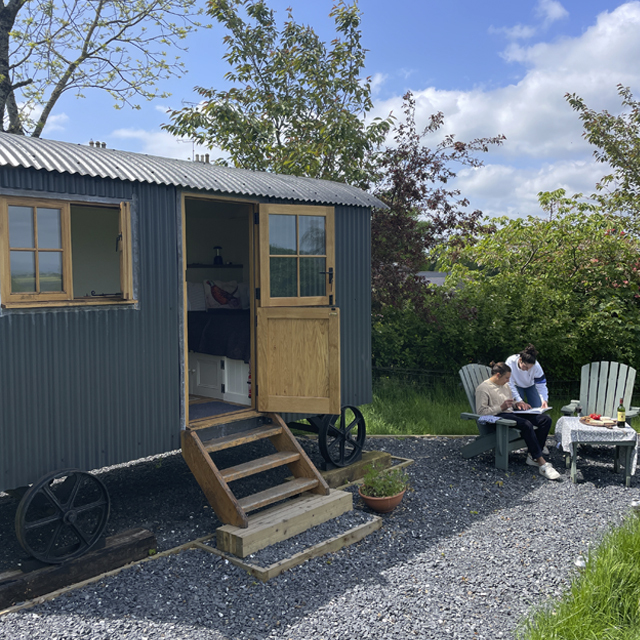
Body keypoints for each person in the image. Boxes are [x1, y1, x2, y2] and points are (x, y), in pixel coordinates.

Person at [475, 361, 560, 480]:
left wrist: (518, 403)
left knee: (545, 419)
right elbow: (481, 412)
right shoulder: (483, 389)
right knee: (526, 424)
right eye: (506, 378)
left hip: (510, 413)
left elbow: (510, 402)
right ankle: (541, 462)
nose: (508, 381)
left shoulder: (505, 386)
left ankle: (532, 455)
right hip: (497, 419)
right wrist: (501, 407)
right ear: (498, 375)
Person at [505, 344, 548, 410]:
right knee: (520, 408)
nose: (527, 370)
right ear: (520, 360)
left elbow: (541, 385)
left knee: (538, 407)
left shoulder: (536, 366)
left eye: (529, 368)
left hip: (531, 385)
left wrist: (544, 400)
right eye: (525, 367)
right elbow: (509, 383)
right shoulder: (510, 362)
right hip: (516, 385)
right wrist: (519, 400)